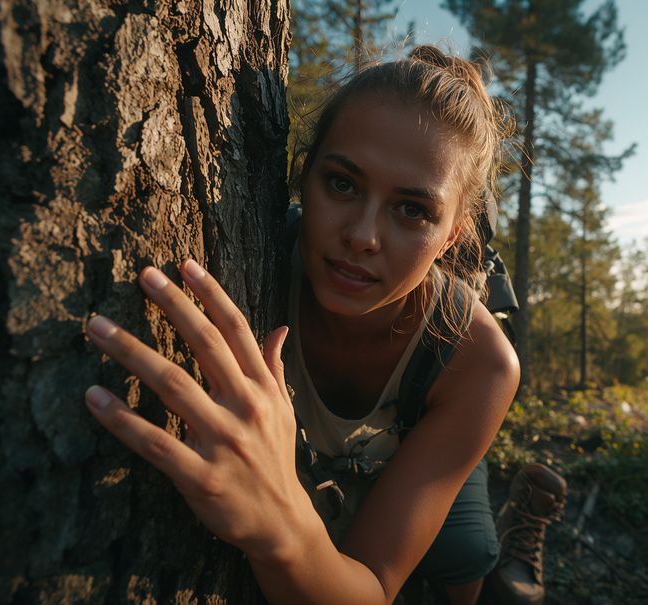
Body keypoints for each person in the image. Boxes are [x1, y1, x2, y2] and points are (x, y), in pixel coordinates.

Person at [82, 45, 563, 605]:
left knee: (465, 559)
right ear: (302, 175)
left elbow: (373, 585)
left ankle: (513, 538)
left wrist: (280, 526)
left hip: (430, 433)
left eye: (412, 210)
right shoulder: (251, 255)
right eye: (342, 184)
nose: (362, 234)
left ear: (452, 236)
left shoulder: (479, 361)